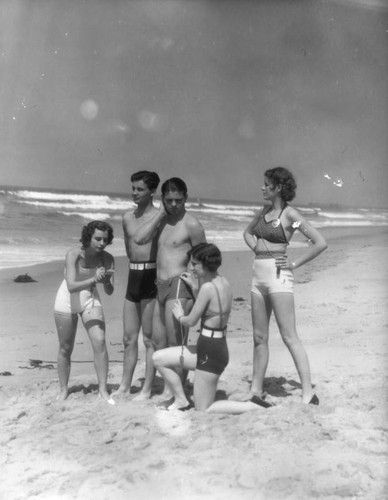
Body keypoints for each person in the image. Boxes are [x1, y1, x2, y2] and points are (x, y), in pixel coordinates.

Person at [153, 243, 272, 413]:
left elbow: (190, 321)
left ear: (206, 263)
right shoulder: (223, 282)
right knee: (158, 358)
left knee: (203, 408)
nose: (191, 268)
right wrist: (195, 288)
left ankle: (252, 406)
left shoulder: (207, 288)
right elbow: (211, 309)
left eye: (195, 264)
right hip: (215, 348)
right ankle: (180, 400)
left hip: (209, 353)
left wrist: (179, 315)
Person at [243, 166, 328, 405]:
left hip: (279, 276)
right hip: (257, 276)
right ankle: (255, 390)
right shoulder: (263, 211)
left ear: (278, 187)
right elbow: (247, 234)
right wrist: (259, 249)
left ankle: (307, 392)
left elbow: (319, 242)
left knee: (289, 336)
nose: (262, 187)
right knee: (259, 337)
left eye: (266, 184)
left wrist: (293, 263)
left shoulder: (290, 216)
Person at [134, 177, 206, 398]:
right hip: (159, 286)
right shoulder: (162, 221)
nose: (174, 205)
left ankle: (174, 392)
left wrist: (198, 291)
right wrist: (160, 214)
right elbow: (139, 238)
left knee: (177, 343)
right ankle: (172, 388)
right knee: (158, 341)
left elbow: (205, 258)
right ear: (162, 200)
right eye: (169, 200)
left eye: (178, 200)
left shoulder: (191, 224)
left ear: (186, 198)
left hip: (178, 285)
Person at [54, 220, 115, 404]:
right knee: (66, 347)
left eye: (105, 240)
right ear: (88, 237)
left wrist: (104, 281)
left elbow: (110, 290)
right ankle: (64, 390)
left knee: (100, 341)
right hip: (67, 300)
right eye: (98, 239)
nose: (102, 243)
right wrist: (93, 279)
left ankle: (103, 390)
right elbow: (72, 286)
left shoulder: (108, 258)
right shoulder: (74, 255)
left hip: (90, 299)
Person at [113, 171, 160, 400]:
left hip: (152, 277)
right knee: (128, 338)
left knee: (149, 338)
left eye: (140, 189)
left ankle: (147, 388)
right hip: (133, 276)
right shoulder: (127, 217)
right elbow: (129, 248)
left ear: (152, 191)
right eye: (133, 188)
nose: (134, 193)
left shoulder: (161, 217)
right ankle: (124, 385)